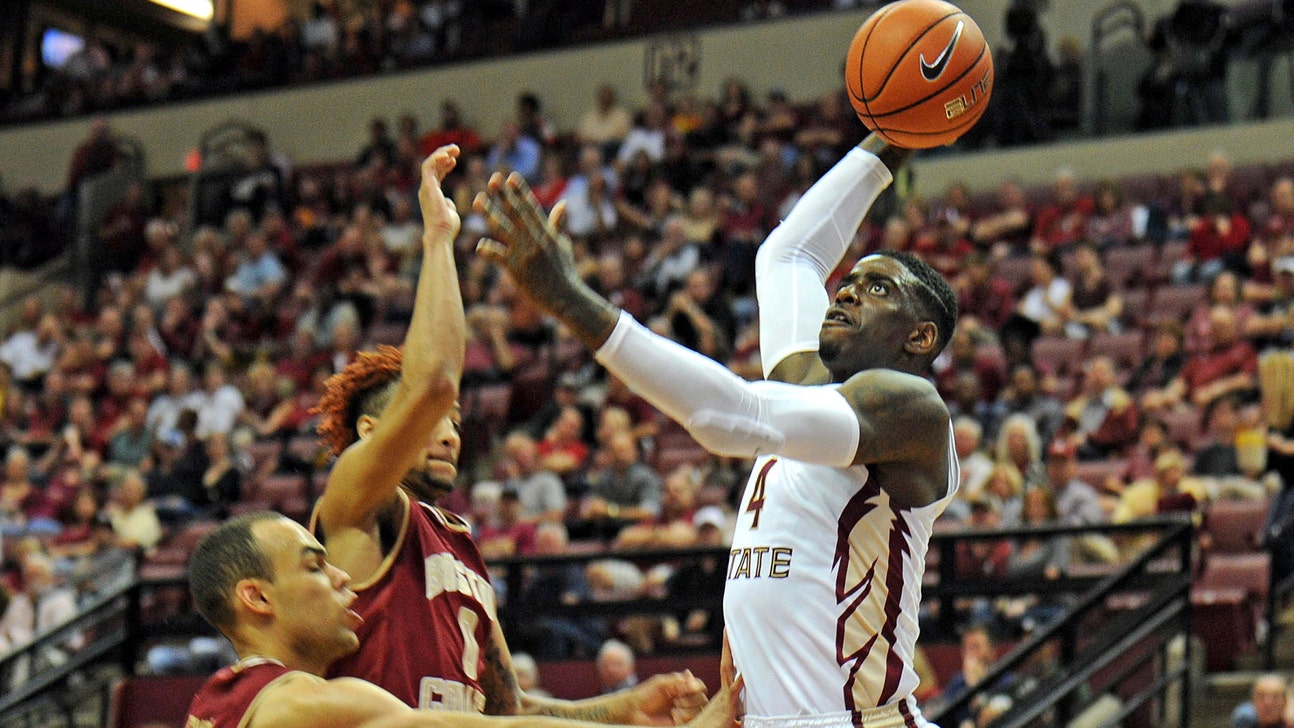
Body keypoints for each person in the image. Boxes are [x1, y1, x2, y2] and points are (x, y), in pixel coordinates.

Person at [475, 131, 961, 725]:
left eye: (879, 288)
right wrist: (893, 138)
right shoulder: (806, 384)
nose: (850, 291)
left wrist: (571, 299)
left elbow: (728, 417)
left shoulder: (912, 411)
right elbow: (788, 256)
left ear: (920, 338)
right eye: (850, 281)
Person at [310, 146, 706, 720]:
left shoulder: (458, 540)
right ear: (370, 430)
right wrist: (439, 238)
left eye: (454, 425)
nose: (447, 434)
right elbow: (434, 385)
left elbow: (508, 712)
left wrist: (626, 706)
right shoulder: (356, 504)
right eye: (428, 425)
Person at [185, 512, 739, 728]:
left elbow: (503, 713)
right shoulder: (302, 707)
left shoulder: (218, 700)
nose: (341, 578)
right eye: (315, 565)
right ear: (256, 598)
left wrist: (615, 709)